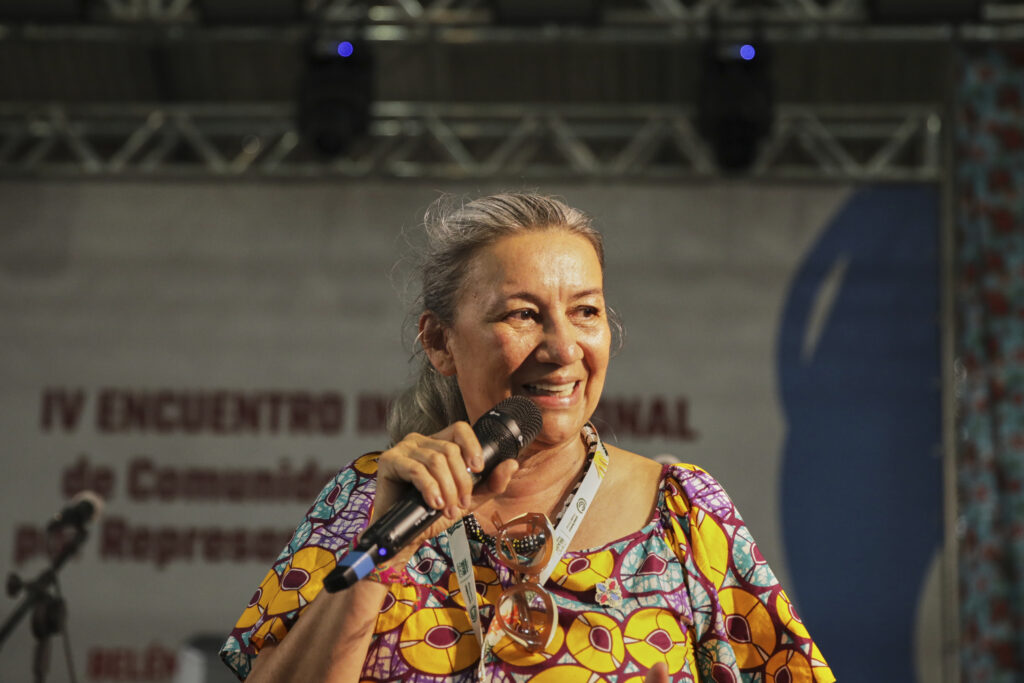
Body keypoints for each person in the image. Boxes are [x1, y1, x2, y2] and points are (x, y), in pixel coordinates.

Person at [219, 192, 835, 682]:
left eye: (586, 311)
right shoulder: (366, 500)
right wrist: (387, 554)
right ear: (439, 342)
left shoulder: (680, 512)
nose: (564, 348)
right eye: (522, 314)